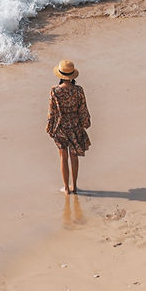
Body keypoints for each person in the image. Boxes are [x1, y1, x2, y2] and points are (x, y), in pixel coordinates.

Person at [46, 59, 91, 194]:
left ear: (59, 75)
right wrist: (85, 123)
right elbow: (83, 109)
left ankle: (66, 188)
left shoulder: (54, 91)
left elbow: (52, 111)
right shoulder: (78, 90)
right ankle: (74, 186)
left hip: (60, 127)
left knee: (63, 157)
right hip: (75, 126)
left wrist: (49, 127)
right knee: (74, 156)